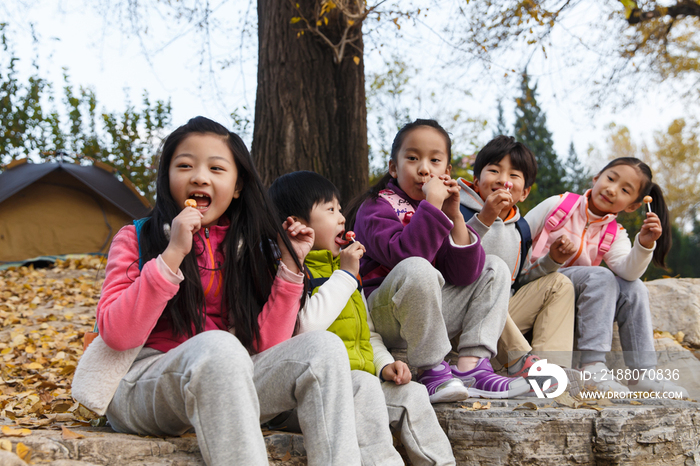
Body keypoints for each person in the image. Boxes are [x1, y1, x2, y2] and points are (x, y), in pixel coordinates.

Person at [81, 117, 364, 465]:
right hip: (143, 383)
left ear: (238, 185)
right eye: (185, 165)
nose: (200, 177)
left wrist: (291, 266)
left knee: (323, 347)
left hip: (230, 379)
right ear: (167, 177)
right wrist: (172, 255)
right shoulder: (138, 236)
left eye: (216, 168)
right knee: (220, 346)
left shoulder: (247, 247)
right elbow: (117, 334)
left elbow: (268, 348)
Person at [269, 170, 456, 466]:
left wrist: (384, 365)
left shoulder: (345, 272)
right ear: (297, 224)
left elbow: (368, 334)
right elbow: (304, 332)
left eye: (340, 209)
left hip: (363, 383)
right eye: (330, 210)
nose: (342, 218)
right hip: (313, 396)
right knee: (362, 386)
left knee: (413, 394)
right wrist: (344, 275)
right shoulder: (294, 272)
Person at [345, 118, 530, 402]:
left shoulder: (440, 208)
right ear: (393, 167)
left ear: (447, 171)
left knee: (494, 266)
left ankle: (472, 366)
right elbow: (405, 256)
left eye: (434, 160)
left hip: (429, 313)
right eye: (412, 158)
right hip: (384, 313)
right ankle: (432, 368)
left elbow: (463, 274)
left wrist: (455, 214)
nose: (424, 169)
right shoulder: (376, 206)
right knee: (417, 267)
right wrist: (432, 206)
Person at [524, 157, 689, 397]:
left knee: (635, 288)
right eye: (611, 179)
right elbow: (520, 237)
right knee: (601, 276)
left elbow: (628, 273)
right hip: (537, 286)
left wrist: (644, 244)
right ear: (596, 178)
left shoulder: (615, 232)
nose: (612, 189)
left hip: (573, 299)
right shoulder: (559, 206)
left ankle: (642, 374)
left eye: (625, 190)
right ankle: (592, 365)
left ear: (632, 205)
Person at [457, 136, 576, 394]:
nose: (502, 179)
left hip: (503, 322)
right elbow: (454, 267)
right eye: (494, 170)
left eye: (513, 174)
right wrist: (484, 219)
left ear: (524, 193)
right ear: (476, 182)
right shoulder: (457, 211)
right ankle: (521, 362)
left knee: (560, 283)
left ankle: (553, 374)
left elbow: (519, 279)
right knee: (489, 268)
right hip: (461, 321)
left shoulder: (521, 229)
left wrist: (552, 260)